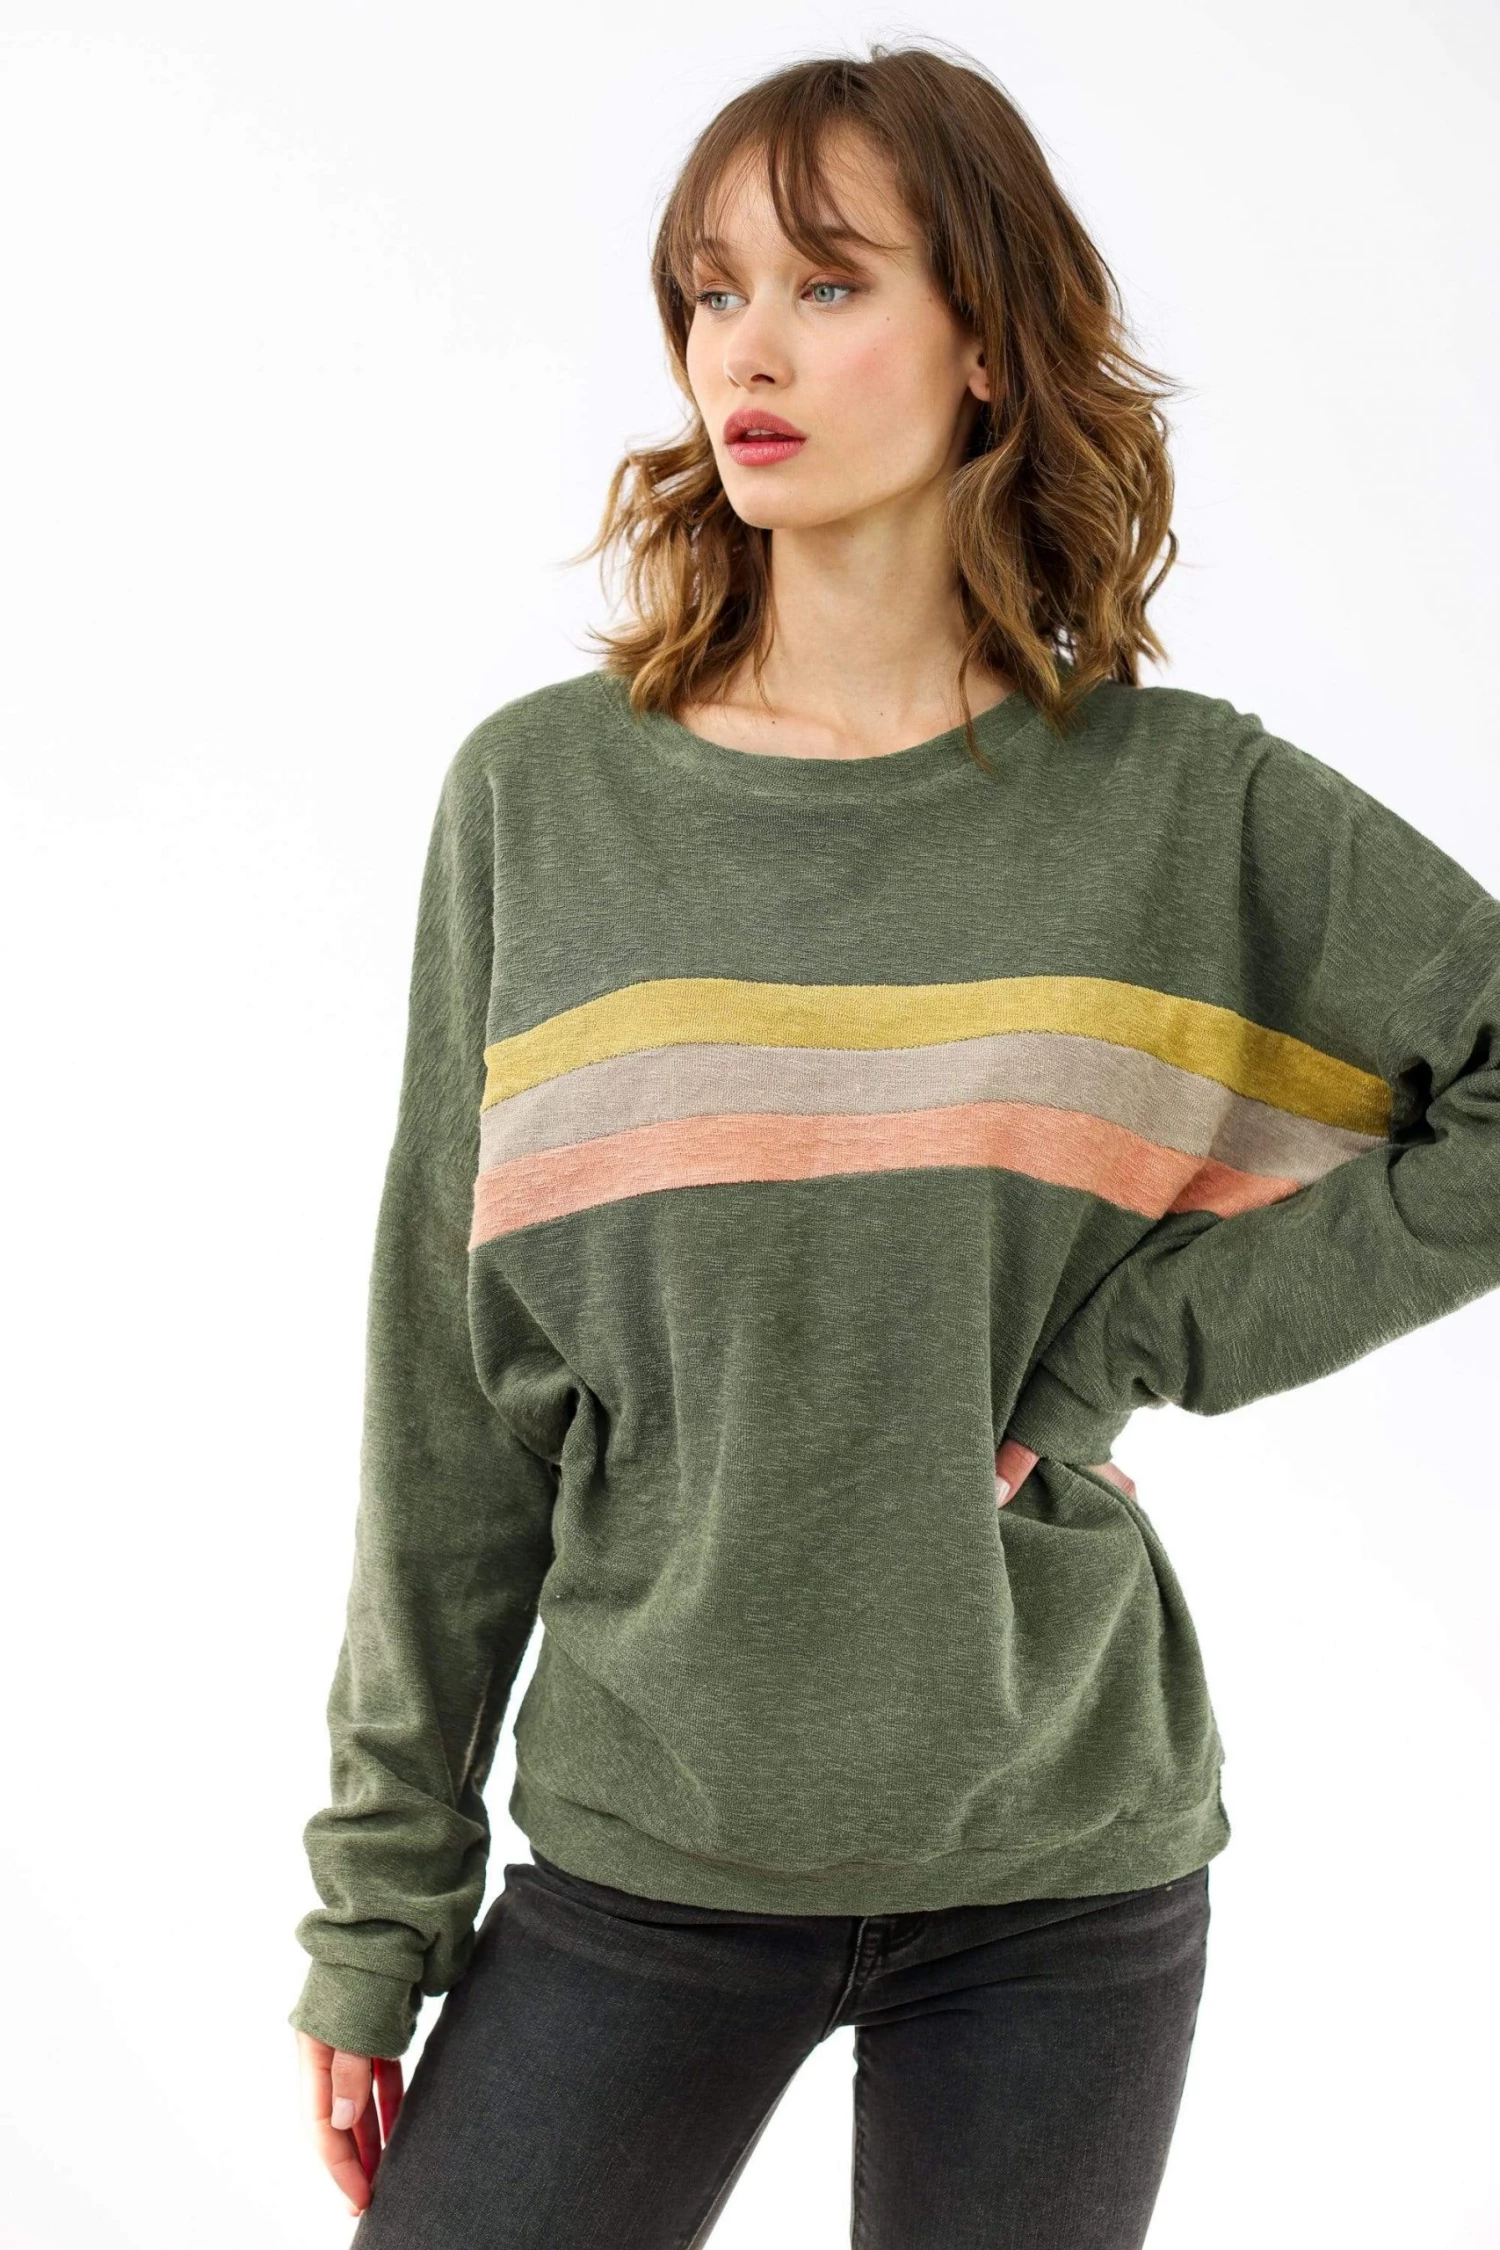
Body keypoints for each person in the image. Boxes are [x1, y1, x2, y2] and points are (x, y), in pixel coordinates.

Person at [289, 40, 1500, 2249]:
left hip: (1067, 1872)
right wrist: (381, 1911)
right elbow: (448, 1408)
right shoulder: (544, 802)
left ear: (988, 342)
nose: (742, 350)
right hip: (649, 1852)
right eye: (709, 289)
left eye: (828, 283)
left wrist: (1127, 1346)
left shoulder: (1176, 802)